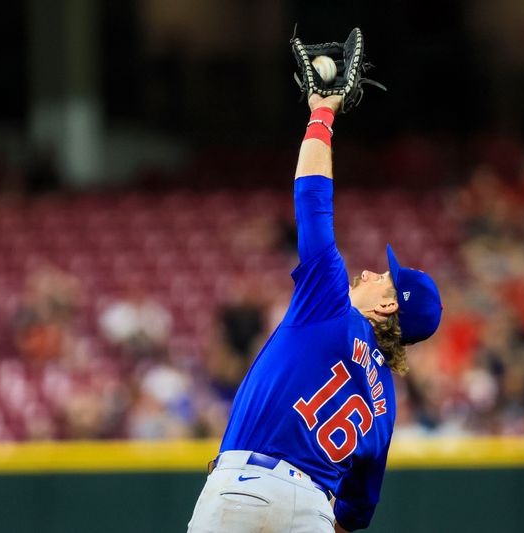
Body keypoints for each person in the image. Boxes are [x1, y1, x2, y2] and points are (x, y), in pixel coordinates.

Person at [187, 94, 443, 532]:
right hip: (314, 513)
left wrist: (321, 112)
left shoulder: (332, 307)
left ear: (387, 306)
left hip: (244, 486)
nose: (367, 272)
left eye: (382, 277)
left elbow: (311, 196)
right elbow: (356, 513)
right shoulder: (385, 406)